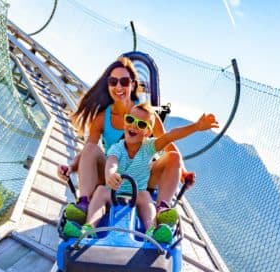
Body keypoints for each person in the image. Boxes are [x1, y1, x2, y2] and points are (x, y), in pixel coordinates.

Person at [58, 56, 195, 227]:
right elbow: (88, 151)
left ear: (132, 84)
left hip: (141, 175)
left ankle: (162, 210)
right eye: (113, 81)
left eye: (124, 81)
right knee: (92, 148)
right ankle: (83, 204)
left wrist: (183, 171)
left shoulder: (146, 115)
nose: (118, 87)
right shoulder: (102, 118)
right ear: (108, 85)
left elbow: (167, 144)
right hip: (111, 175)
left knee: (174, 156)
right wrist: (70, 167)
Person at [63, 103, 219, 243]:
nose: (134, 126)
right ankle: (88, 228)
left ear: (147, 132)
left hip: (137, 194)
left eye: (141, 124)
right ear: (125, 122)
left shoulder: (149, 147)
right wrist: (110, 174)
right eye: (130, 120)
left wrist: (196, 126)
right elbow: (111, 161)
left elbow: (171, 135)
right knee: (100, 192)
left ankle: (153, 230)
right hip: (113, 193)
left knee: (145, 197)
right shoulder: (117, 148)